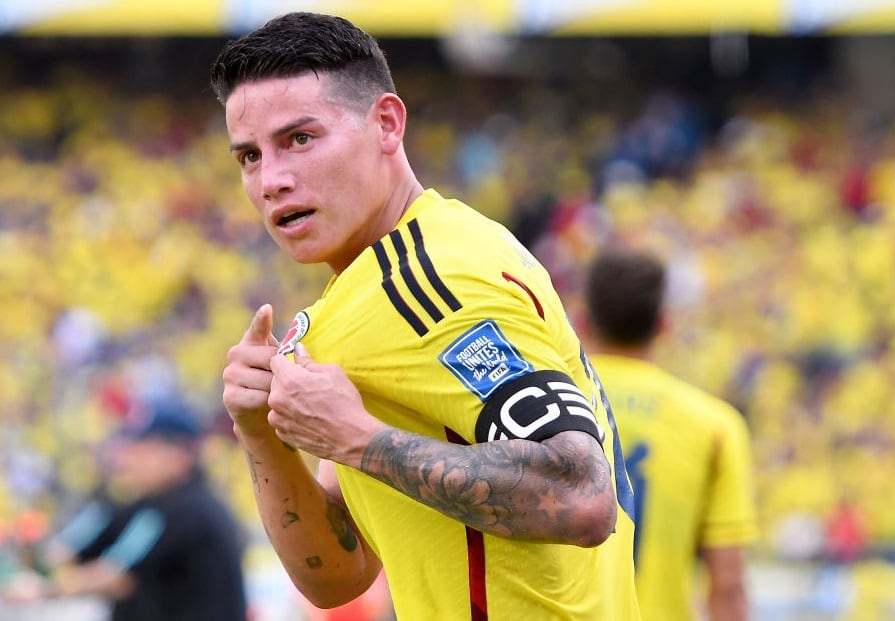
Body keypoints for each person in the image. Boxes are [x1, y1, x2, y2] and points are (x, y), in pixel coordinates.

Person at [211, 11, 640, 621]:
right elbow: (337, 573)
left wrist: (357, 438)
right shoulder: (376, 286)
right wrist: (262, 434)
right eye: (250, 156)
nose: (272, 180)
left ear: (386, 124)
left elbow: (581, 495)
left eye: (300, 139)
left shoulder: (432, 280)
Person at [578, 247, 758, 621]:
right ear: (663, 323)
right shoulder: (715, 426)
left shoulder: (547, 407)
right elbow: (728, 588)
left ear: (582, 321)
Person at [1, 396, 249, 621]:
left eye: (144, 449)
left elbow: (118, 576)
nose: (131, 459)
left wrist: (43, 590)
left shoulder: (187, 509)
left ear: (179, 452)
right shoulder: (157, 503)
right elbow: (72, 553)